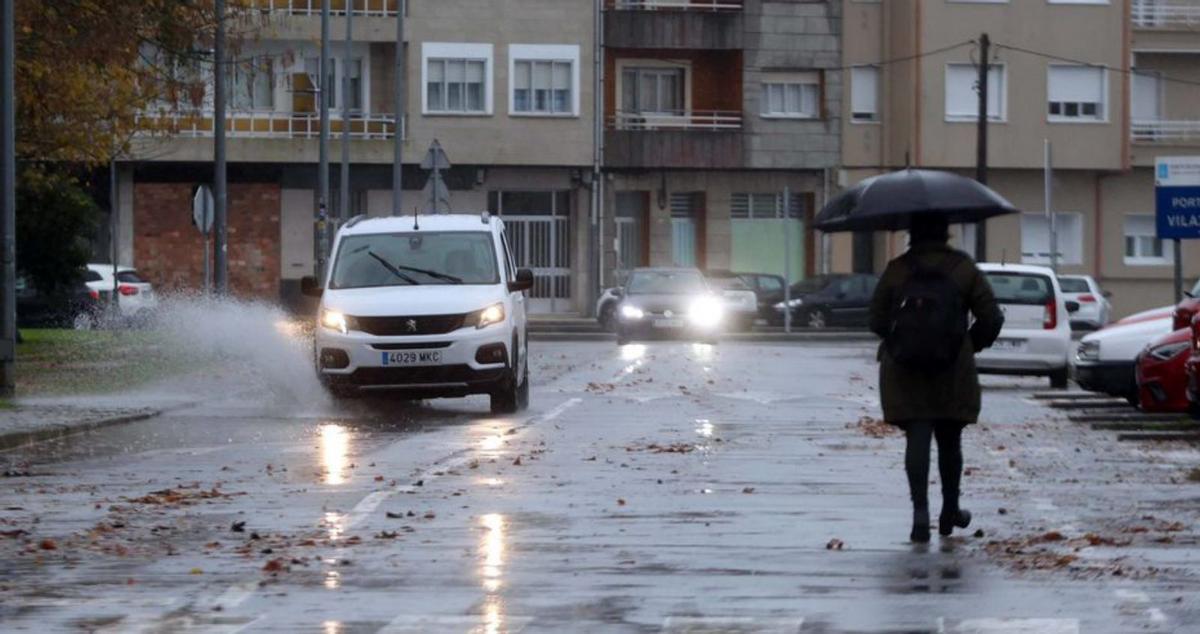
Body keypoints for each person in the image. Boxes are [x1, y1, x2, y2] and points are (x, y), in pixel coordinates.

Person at [868, 214, 1004, 543]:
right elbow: (991, 317)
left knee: (917, 433)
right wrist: (968, 345)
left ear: (912, 234)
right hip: (952, 368)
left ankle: (920, 514)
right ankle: (950, 510)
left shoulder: (898, 269)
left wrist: (901, 341)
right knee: (949, 437)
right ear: (946, 233)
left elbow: (875, 319)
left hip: (905, 368)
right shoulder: (963, 268)